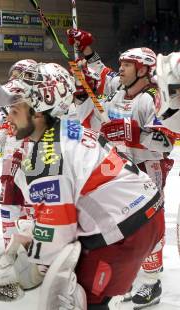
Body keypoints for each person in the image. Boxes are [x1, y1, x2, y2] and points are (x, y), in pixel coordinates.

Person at [0, 62, 165, 309]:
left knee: (83, 302)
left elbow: (58, 236)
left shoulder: (47, 157)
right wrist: (29, 237)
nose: (7, 118)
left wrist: (25, 271)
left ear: (37, 110)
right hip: (143, 215)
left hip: (127, 232)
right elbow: (64, 206)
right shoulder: (70, 128)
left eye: (14, 109)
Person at [67, 29, 174, 308]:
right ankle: (140, 276)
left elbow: (166, 141)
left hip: (147, 166)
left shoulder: (152, 98)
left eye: (127, 65)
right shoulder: (119, 90)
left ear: (142, 70)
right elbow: (101, 74)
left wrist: (132, 132)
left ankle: (152, 283)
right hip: (122, 169)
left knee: (146, 221)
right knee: (125, 224)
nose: (120, 70)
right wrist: (86, 50)